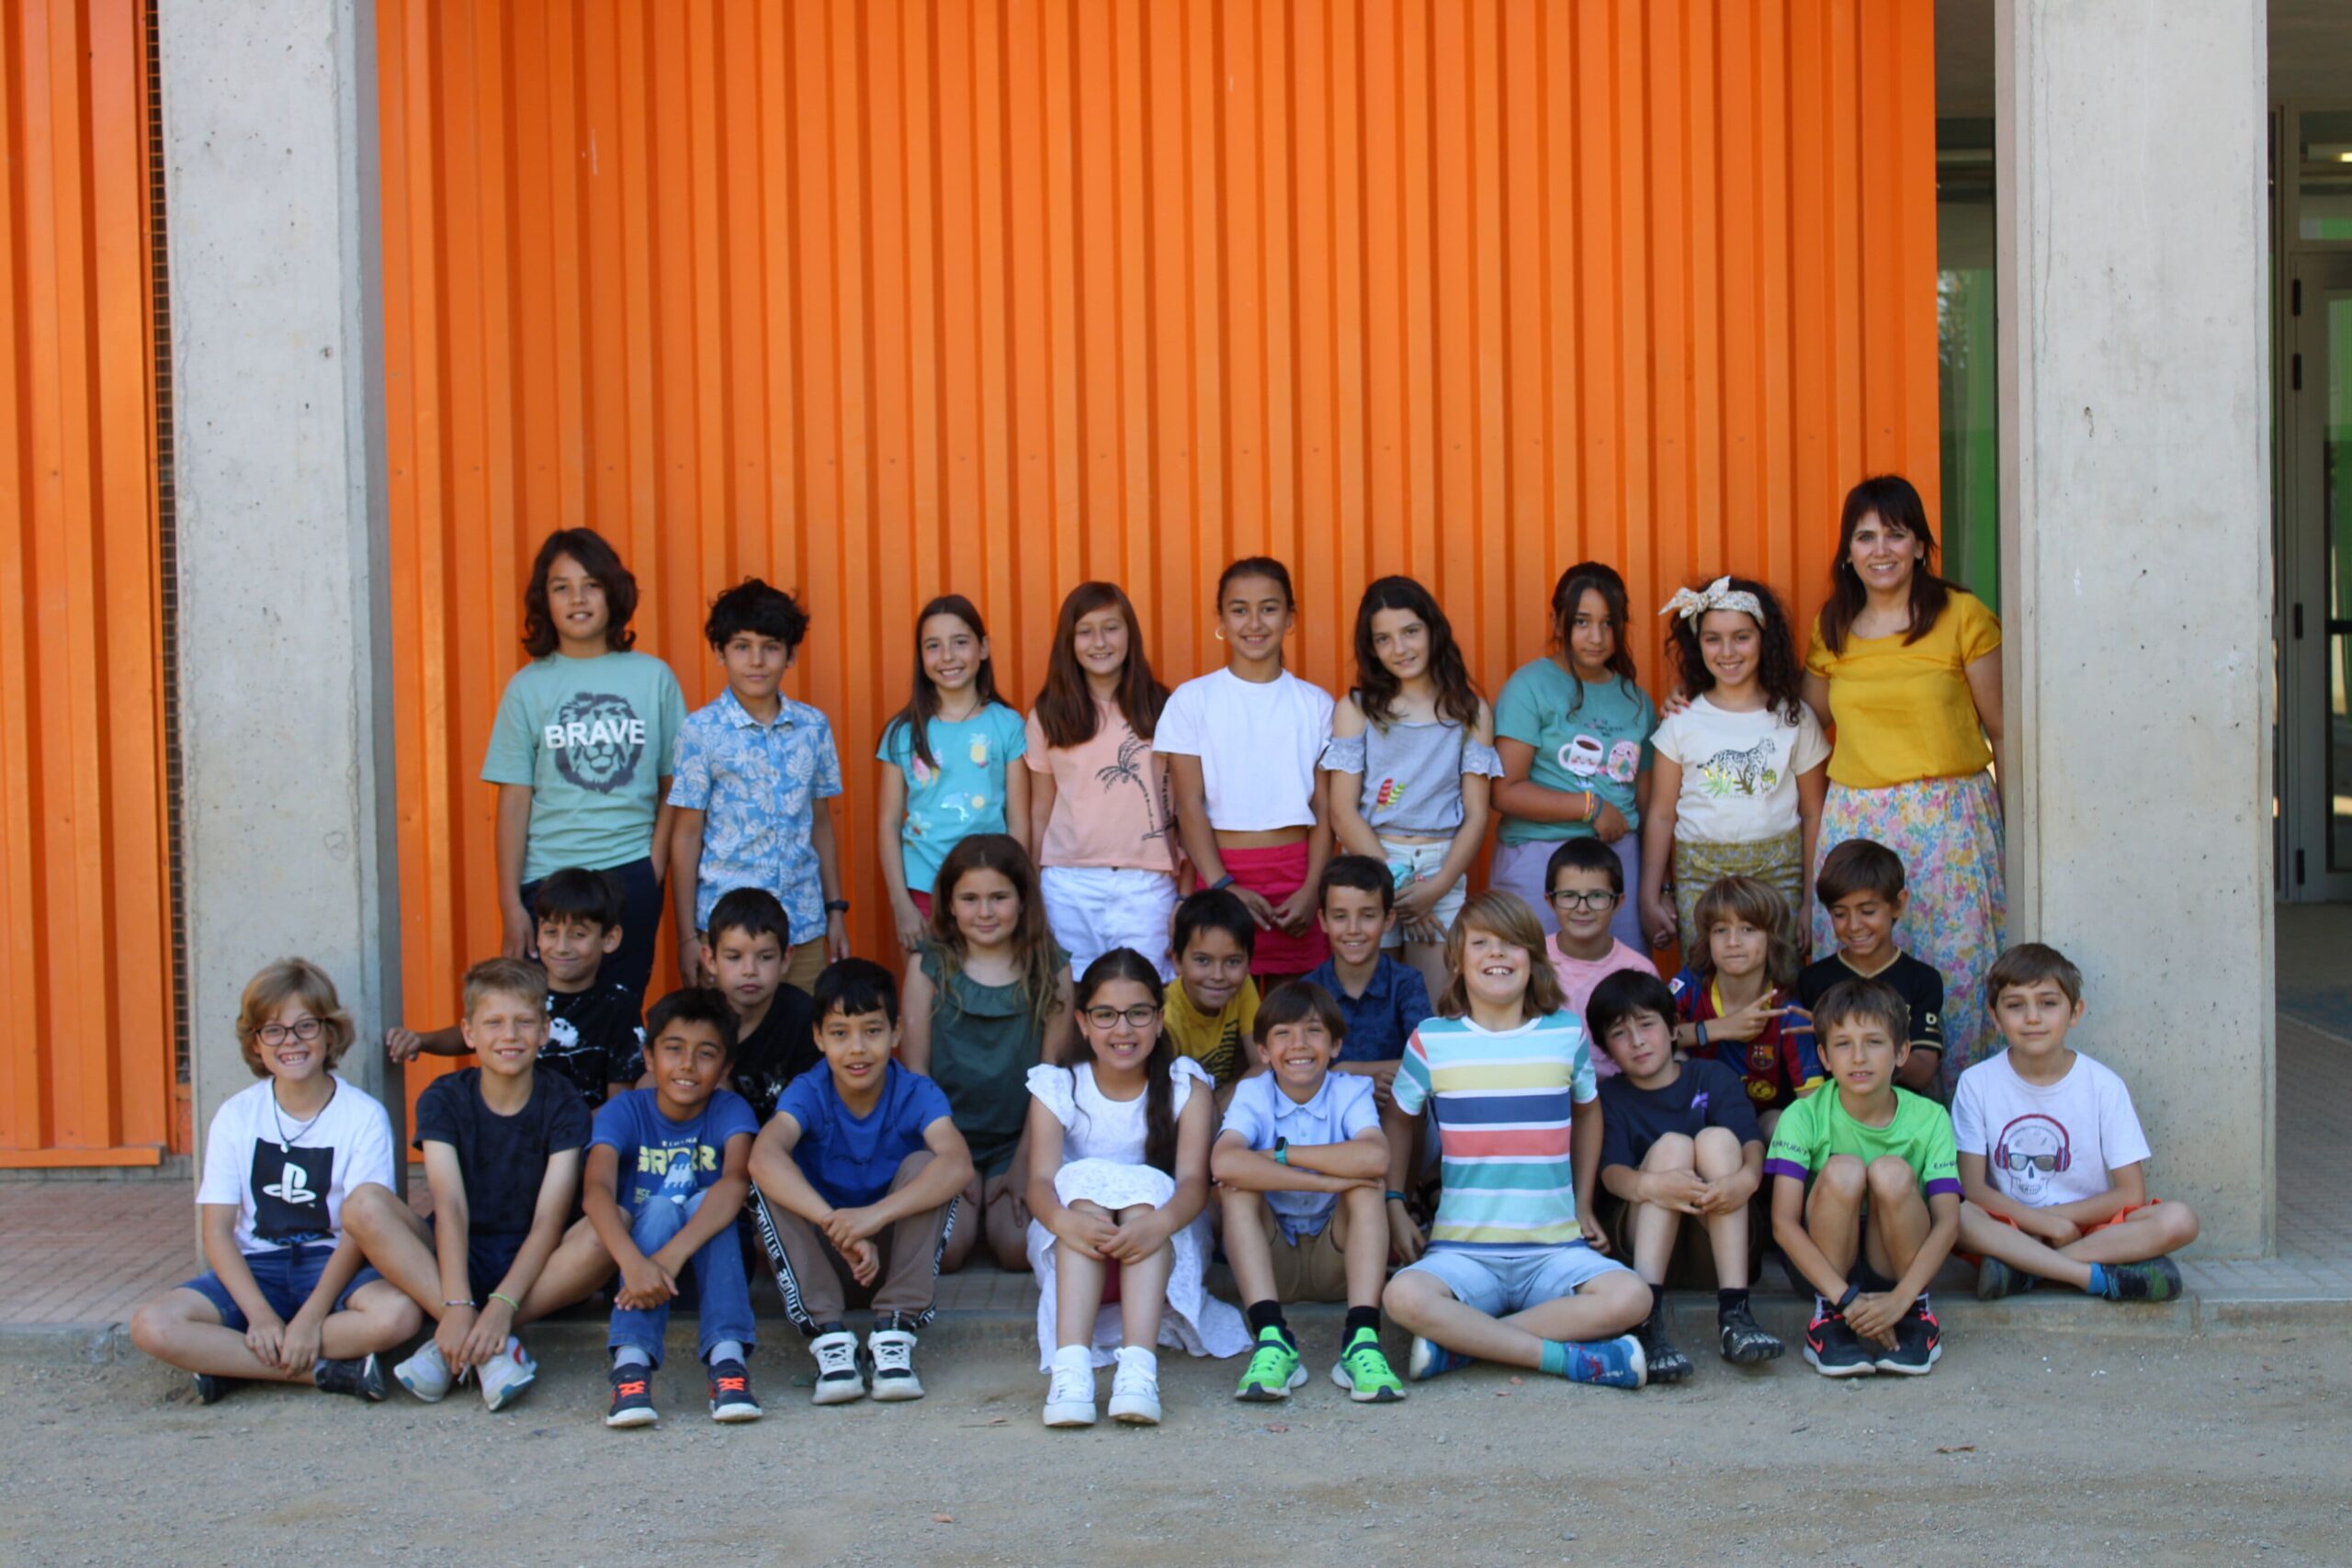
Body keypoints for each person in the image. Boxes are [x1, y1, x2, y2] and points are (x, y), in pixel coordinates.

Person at [1378, 892, 1651, 1390]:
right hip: (1462, 1255)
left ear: (1533, 958)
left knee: (1632, 1296)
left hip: (1554, 1250)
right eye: (1481, 943)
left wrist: (1583, 1201)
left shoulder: (1565, 1033)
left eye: (1512, 943)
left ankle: (1460, 1344)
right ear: (1457, 961)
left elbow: (1588, 1110)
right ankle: (1566, 1360)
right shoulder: (1432, 1039)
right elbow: (1399, 1118)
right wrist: (1395, 1200)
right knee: (1403, 1297)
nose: (1497, 953)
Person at [130, 960, 421, 1404]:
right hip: (257, 1269)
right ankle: (326, 1373)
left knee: (397, 1316)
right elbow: (217, 1230)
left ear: (329, 1033)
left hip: (332, 1264)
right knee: (152, 1325)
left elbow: (358, 1234)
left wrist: (312, 1316)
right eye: (273, 1030)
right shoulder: (237, 1115)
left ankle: (231, 1364)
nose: (291, 1041)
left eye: (306, 1026)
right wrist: (260, 1316)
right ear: (256, 1043)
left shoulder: (363, 1116)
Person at [1804, 474, 2006, 1085]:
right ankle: (1856, 1117)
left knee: (1956, 973)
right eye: (1865, 536)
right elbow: (1801, 725)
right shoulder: (1833, 625)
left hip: (1949, 822)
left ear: (1920, 544)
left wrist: (2017, 832)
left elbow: (2004, 732)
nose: (1881, 549)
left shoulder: (1962, 615)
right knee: (1860, 972)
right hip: (1858, 822)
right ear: (1847, 552)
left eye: (1896, 533)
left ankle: (1956, 1122)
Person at [343, 958, 589, 1410]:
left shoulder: (564, 1102)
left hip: (538, 1266)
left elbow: (549, 1221)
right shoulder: (443, 1097)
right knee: (363, 1204)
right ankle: (485, 1345)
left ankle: (476, 1336)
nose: (509, 1035)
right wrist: (456, 1303)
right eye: (493, 1023)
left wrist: (502, 1306)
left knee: (607, 1232)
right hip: (454, 1257)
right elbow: (450, 1206)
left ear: (544, 1031)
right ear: (469, 1033)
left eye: (523, 1022)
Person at [1027, 949, 1250, 1427]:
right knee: (1084, 1186)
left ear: (1160, 1019)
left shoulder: (1185, 1085)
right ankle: (1071, 1370)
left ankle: (1137, 1371)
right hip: (1073, 1239)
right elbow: (1041, 1183)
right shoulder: (1059, 1086)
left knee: (1146, 1189)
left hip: (1160, 1237)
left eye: (1138, 1014)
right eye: (1106, 1015)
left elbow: (1193, 1184)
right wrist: (1066, 1221)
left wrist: (1158, 1224)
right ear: (1083, 1023)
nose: (1123, 1029)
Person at [747, 958, 976, 1404]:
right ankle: (828, 1335)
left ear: (896, 1032)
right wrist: (837, 1225)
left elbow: (958, 1165)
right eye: (839, 1033)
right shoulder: (808, 1090)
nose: (857, 1049)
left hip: (890, 1256)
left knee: (928, 1165)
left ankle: (896, 1328)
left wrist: (872, 1218)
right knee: (769, 1175)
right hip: (826, 1257)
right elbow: (763, 1157)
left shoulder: (916, 1091)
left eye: (872, 1031)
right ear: (818, 1038)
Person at [481, 527, 684, 999]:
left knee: (618, 1010)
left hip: (628, 871)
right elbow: (514, 800)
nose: (577, 598)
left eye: (591, 584)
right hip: (548, 879)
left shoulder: (653, 678)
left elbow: (675, 785)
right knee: (545, 1018)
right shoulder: (527, 687)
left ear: (613, 592)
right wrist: (511, 903)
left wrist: (652, 868)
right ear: (545, 600)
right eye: (561, 587)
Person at [1953, 942, 2199, 1302]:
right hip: (2011, 1227)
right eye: (2015, 1005)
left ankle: (2024, 1271)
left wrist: (2059, 1221)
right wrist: (2042, 1223)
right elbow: (1973, 1189)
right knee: (1956, 1214)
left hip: (2088, 1228)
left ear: (2075, 1012)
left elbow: (2131, 1193)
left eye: (2048, 1003)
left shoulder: (2103, 1085)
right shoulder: (1976, 1083)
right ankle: (2087, 1275)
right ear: (1995, 1016)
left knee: (2180, 1219)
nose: (2032, 1017)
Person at [1211, 982, 1405, 1404]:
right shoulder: (1254, 1091)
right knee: (1237, 1188)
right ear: (1263, 1052)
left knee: (1367, 1187)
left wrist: (1282, 1154)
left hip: (1337, 1262)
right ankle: (1271, 1338)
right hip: (1273, 1262)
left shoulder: (1349, 1089)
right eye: (1282, 1033)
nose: (1298, 1044)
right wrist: (1325, 1181)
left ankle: (1362, 1340)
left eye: (1313, 1031)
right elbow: (1224, 1163)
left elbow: (1374, 1156)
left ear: (1336, 1045)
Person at [1589, 968, 1781, 1381]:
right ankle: (1645, 1321)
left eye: (1646, 1025)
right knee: (1673, 1147)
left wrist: (1745, 1180)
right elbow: (1610, 1173)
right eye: (1620, 1033)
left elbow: (1752, 1143)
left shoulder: (1712, 1077)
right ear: (1606, 1050)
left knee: (1716, 1139)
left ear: (1675, 1028)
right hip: (1646, 1250)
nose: (1637, 1041)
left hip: (1717, 1246)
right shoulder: (1611, 1096)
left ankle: (1735, 1313)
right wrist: (1653, 1184)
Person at [582, 987, 763, 1427]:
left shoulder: (731, 1110)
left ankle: (727, 1361)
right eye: (674, 1049)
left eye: (706, 1054)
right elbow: (596, 1191)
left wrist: (669, 1257)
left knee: (707, 1198)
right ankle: (631, 1366)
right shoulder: (625, 1111)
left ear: (726, 1067)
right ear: (649, 1057)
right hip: (636, 1276)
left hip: (711, 1268)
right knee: (660, 1207)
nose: (687, 1065)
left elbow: (736, 1182)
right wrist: (635, 1264)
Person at [1766, 976, 1962, 1379]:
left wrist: (1901, 1297)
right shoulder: (1802, 1115)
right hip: (1823, 1271)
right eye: (1843, 1044)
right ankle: (1828, 1321)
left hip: (1895, 1267)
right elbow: (1783, 1223)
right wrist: (1845, 1300)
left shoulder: (1931, 1118)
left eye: (1874, 1042)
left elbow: (1948, 1221)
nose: (1858, 1057)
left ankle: (1915, 1316)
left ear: (1902, 1051)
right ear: (1824, 1056)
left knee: (1890, 1171)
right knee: (1844, 1169)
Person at [900, 834, 1075, 1272]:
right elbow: (916, 1072)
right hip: (944, 1135)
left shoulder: (1051, 968)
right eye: (970, 899)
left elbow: (1051, 1077)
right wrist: (949, 1153)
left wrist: (1026, 1163)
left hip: (1018, 1140)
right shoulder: (927, 965)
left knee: (1017, 1251)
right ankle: (968, 1204)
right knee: (946, 1253)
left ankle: (994, 1197)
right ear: (949, 904)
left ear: (1023, 899)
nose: (984, 912)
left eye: (999, 897)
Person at [1159, 557, 1336, 986]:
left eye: (1269, 608)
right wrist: (1223, 885)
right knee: (1221, 997)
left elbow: (1324, 807)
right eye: (1239, 610)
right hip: (1221, 870)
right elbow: (1188, 804)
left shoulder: (1315, 704)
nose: (1254, 623)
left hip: (1298, 877)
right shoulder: (1191, 701)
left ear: (1290, 618)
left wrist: (1313, 889)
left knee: (1295, 1005)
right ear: (1221, 620)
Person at [1320, 575, 1501, 997]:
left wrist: (1435, 888)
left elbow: (1477, 815)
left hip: (1441, 869)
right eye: (1383, 639)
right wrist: (1396, 884)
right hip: (1370, 864)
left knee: (1432, 1004)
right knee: (1368, 998)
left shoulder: (1470, 711)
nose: (1399, 648)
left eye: (1410, 632)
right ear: (1371, 648)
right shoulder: (1357, 709)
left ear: (1433, 630)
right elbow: (1342, 811)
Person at [668, 577, 849, 997]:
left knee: (803, 1027)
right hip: (726, 930)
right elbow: (687, 834)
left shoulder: (812, 727)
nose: (756, 661)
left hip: (802, 924)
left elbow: (821, 824)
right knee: (727, 1032)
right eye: (741, 646)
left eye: (770, 647)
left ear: (791, 655)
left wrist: (835, 910)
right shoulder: (700, 731)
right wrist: (687, 936)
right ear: (720, 652)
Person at [1640, 575, 1828, 953]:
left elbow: (1813, 813)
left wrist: (1812, 902)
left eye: (1742, 637)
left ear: (1764, 639)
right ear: (1698, 644)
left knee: (1778, 975)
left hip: (1779, 877)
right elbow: (1661, 814)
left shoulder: (1795, 718)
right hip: (1700, 878)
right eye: (1713, 638)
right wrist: (1650, 895)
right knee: (1706, 975)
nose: (1727, 651)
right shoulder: (1681, 720)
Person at [1492, 562, 1657, 945]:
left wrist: (1659, 887)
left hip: (1619, 861)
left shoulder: (1636, 701)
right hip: (1540, 856)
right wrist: (1591, 808)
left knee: (1619, 976)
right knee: (1538, 972)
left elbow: (1649, 808)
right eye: (1582, 622)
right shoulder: (1529, 687)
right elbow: (1504, 791)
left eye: (1608, 623)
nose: (1596, 637)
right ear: (1557, 622)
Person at [385, 867, 642, 1111]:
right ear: (538, 934)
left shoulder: (619, 1005)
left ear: (610, 939)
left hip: (581, 1135)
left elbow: (618, 1105)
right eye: (551, 932)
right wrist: (421, 1040)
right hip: (510, 1129)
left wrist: (567, 1131)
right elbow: (476, 1032)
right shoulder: (522, 989)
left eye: (578, 935)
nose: (562, 947)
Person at [1024, 581, 1182, 978]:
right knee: (1070, 993)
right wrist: (1033, 889)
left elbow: (1183, 806)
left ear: (1130, 633)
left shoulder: (1165, 707)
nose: (1099, 642)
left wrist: (1187, 893)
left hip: (1147, 884)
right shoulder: (1049, 714)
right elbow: (1040, 810)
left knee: (1146, 991)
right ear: (1069, 641)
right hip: (1067, 884)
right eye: (1085, 631)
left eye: (1111, 628)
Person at [877, 593, 1029, 952]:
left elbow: (1019, 821)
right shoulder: (902, 732)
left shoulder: (1008, 725)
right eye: (933, 646)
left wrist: (1017, 889)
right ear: (921, 656)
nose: (947, 656)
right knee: (926, 981)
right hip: (923, 886)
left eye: (960, 642)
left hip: (990, 890)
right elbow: (888, 822)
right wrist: (901, 903)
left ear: (983, 648)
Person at [1668, 874, 1821, 1133]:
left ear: (1772, 937)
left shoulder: (1786, 1012)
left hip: (1760, 1121)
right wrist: (1721, 1028)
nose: (1733, 942)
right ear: (1707, 938)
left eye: (1748, 929)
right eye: (1720, 930)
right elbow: (1648, 1034)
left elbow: (1812, 1101)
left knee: (1782, 1124)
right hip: (1695, 1118)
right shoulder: (1691, 983)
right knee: (1671, 1053)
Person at [1797, 840, 1945, 1098]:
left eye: (1867, 911)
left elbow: (1923, 1073)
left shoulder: (1922, 979)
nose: (1854, 925)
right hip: (1831, 1112)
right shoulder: (1812, 980)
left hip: (1900, 1113)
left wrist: (1856, 1036)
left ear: (1898, 904)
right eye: (1840, 914)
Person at [1299, 856, 1432, 1110]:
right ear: (1323, 921)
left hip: (1393, 1105)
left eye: (1368, 916)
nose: (1353, 929)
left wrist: (1353, 1070)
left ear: (1388, 920)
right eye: (1340, 916)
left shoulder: (1406, 984)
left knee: (1402, 1098)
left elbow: (1428, 1060)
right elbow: (1300, 1068)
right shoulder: (1309, 990)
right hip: (1330, 1111)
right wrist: (1354, 1077)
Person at [699, 886, 818, 1125]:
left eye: (765, 957)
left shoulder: (805, 1018)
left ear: (786, 959)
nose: (750, 971)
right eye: (734, 957)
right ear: (710, 960)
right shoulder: (696, 1020)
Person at [1543, 839, 1657, 1073]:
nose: (1582, 908)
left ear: (1618, 902)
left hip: (1620, 1088)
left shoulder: (1638, 970)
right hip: (1550, 1085)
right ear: (1550, 901)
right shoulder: (1531, 960)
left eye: (1596, 896)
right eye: (1568, 895)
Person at [1160, 886, 1262, 1091]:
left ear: (1248, 964)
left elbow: (1263, 1064)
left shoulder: (1242, 986)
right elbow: (1164, 1093)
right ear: (1177, 960)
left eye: (1232, 962)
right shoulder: (1167, 1014)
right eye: (1202, 960)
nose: (1218, 975)